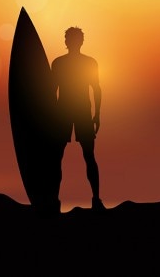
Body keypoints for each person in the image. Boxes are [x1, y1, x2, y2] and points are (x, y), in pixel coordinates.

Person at [51, 25, 105, 210]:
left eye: (75, 39)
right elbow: (51, 91)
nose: (73, 42)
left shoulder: (89, 63)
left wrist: (96, 114)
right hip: (63, 114)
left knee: (88, 156)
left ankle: (96, 200)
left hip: (80, 112)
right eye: (71, 39)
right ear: (66, 42)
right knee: (58, 158)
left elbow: (96, 89)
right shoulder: (58, 63)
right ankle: (54, 200)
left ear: (80, 41)